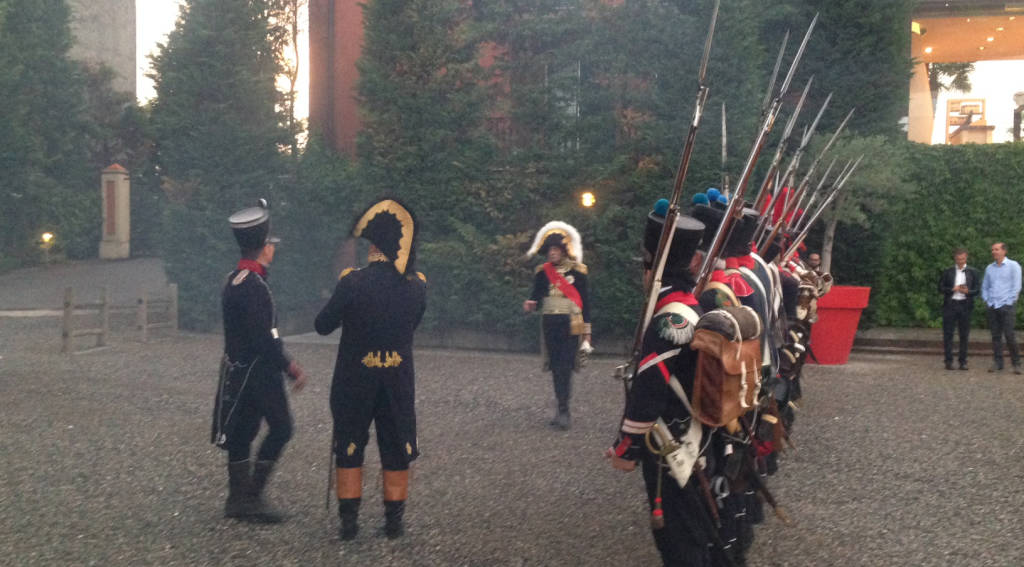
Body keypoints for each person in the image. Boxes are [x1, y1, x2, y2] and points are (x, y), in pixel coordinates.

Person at [607, 201, 728, 566]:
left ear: (652, 266)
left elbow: (649, 392)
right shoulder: (685, 304)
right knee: (692, 534)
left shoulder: (671, 316)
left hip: (673, 444)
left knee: (680, 544)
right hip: (691, 437)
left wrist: (626, 447)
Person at [315, 198, 427, 540]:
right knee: (395, 447)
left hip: (355, 379)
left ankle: (349, 524)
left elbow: (322, 325)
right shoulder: (417, 285)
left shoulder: (352, 281)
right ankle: (394, 523)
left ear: (375, 246)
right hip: (397, 379)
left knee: (350, 445)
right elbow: (414, 323)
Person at [212, 198, 307, 524]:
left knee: (243, 433)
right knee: (282, 428)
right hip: (260, 373)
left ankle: (237, 499)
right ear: (263, 247)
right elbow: (265, 340)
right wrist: (290, 366)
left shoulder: (234, 280)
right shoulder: (255, 286)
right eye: (270, 244)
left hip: (239, 372)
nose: (273, 249)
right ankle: (250, 498)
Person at [523, 221, 592, 430]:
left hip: (571, 324)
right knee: (555, 367)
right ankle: (560, 407)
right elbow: (536, 296)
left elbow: (586, 302)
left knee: (565, 366)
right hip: (550, 324)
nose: (552, 253)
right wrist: (530, 304)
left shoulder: (578, 271)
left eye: (556, 249)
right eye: (550, 250)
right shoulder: (542, 272)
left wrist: (588, 332)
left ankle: (564, 410)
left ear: (563, 251)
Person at [980, 242, 1021, 374]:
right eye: (992, 250)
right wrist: (987, 300)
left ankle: (1016, 363)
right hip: (993, 305)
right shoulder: (989, 268)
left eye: (996, 249)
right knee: (995, 336)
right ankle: (998, 362)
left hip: (1007, 306)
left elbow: (1016, 286)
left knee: (1009, 335)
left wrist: (1008, 302)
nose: (994, 252)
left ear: (1004, 251)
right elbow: (985, 286)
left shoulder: (1013, 266)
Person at [938, 247, 980, 370]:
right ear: (955, 258)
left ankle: (963, 361)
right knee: (948, 334)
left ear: (966, 257)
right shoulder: (948, 271)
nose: (960, 261)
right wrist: (952, 289)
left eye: (962, 259)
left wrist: (968, 291)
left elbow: (977, 290)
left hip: (965, 305)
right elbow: (940, 288)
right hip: (950, 305)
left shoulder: (973, 272)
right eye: (958, 259)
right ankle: (948, 361)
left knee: (964, 335)